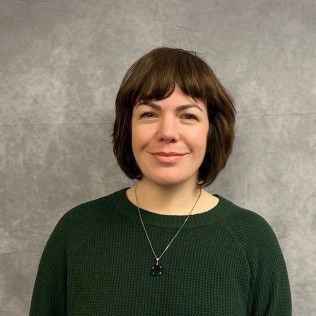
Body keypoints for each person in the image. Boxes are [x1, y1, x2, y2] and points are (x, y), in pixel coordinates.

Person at [29, 47, 292, 315]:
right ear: (127, 127)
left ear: (211, 131)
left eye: (188, 116)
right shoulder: (76, 231)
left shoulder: (253, 241)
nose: (167, 132)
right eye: (149, 114)